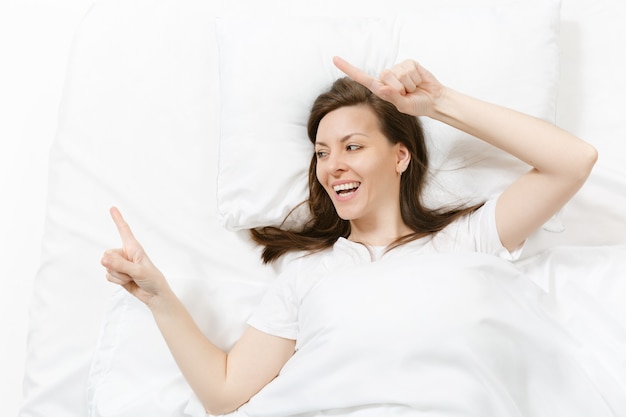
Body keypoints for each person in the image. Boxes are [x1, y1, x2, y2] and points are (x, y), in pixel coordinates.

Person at [101, 56, 597, 416]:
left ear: (400, 156)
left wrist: (439, 103)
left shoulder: (466, 239)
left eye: (352, 146)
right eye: (320, 153)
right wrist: (158, 296)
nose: (333, 164)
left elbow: (573, 162)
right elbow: (226, 392)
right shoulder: (308, 275)